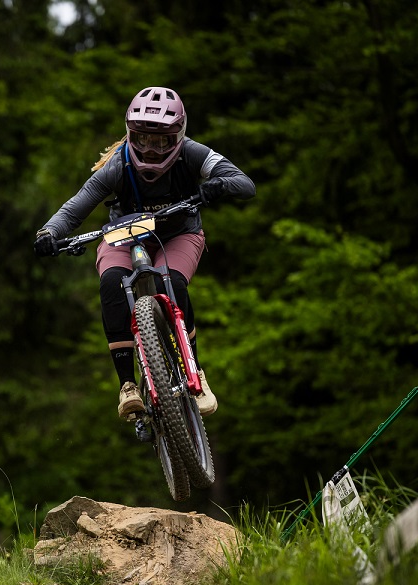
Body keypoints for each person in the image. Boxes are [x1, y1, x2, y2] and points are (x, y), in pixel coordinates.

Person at [34, 86, 255, 420]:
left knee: (173, 284)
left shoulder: (194, 154)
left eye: (162, 141)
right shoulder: (117, 165)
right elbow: (74, 208)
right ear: (129, 134)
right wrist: (49, 232)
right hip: (124, 236)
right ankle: (127, 387)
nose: (151, 150)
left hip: (179, 233)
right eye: (141, 139)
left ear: (178, 136)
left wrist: (220, 184)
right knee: (111, 282)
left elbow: (245, 184)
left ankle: (197, 373)